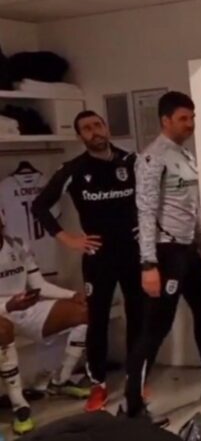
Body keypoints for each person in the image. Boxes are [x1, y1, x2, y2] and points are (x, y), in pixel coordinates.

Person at [123, 91, 201, 424]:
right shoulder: (151, 158)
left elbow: (190, 207)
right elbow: (145, 211)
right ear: (165, 120)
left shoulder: (185, 155)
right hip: (164, 252)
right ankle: (132, 406)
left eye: (192, 118)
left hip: (188, 250)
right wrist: (148, 264)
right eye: (183, 118)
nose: (190, 124)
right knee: (155, 328)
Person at [32, 111, 143, 412]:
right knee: (97, 319)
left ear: (106, 128)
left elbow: (151, 200)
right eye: (87, 128)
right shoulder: (74, 169)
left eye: (98, 125)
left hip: (133, 252)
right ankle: (99, 385)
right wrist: (68, 239)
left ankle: (136, 380)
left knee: (138, 315)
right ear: (80, 136)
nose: (94, 132)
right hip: (98, 256)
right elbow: (39, 206)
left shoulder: (131, 162)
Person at [0, 225, 89, 435]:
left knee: (84, 313)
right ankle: (19, 406)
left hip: (24, 307)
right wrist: (8, 306)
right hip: (3, 312)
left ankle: (60, 381)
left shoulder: (17, 244)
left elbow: (38, 284)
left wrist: (73, 295)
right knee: (3, 329)